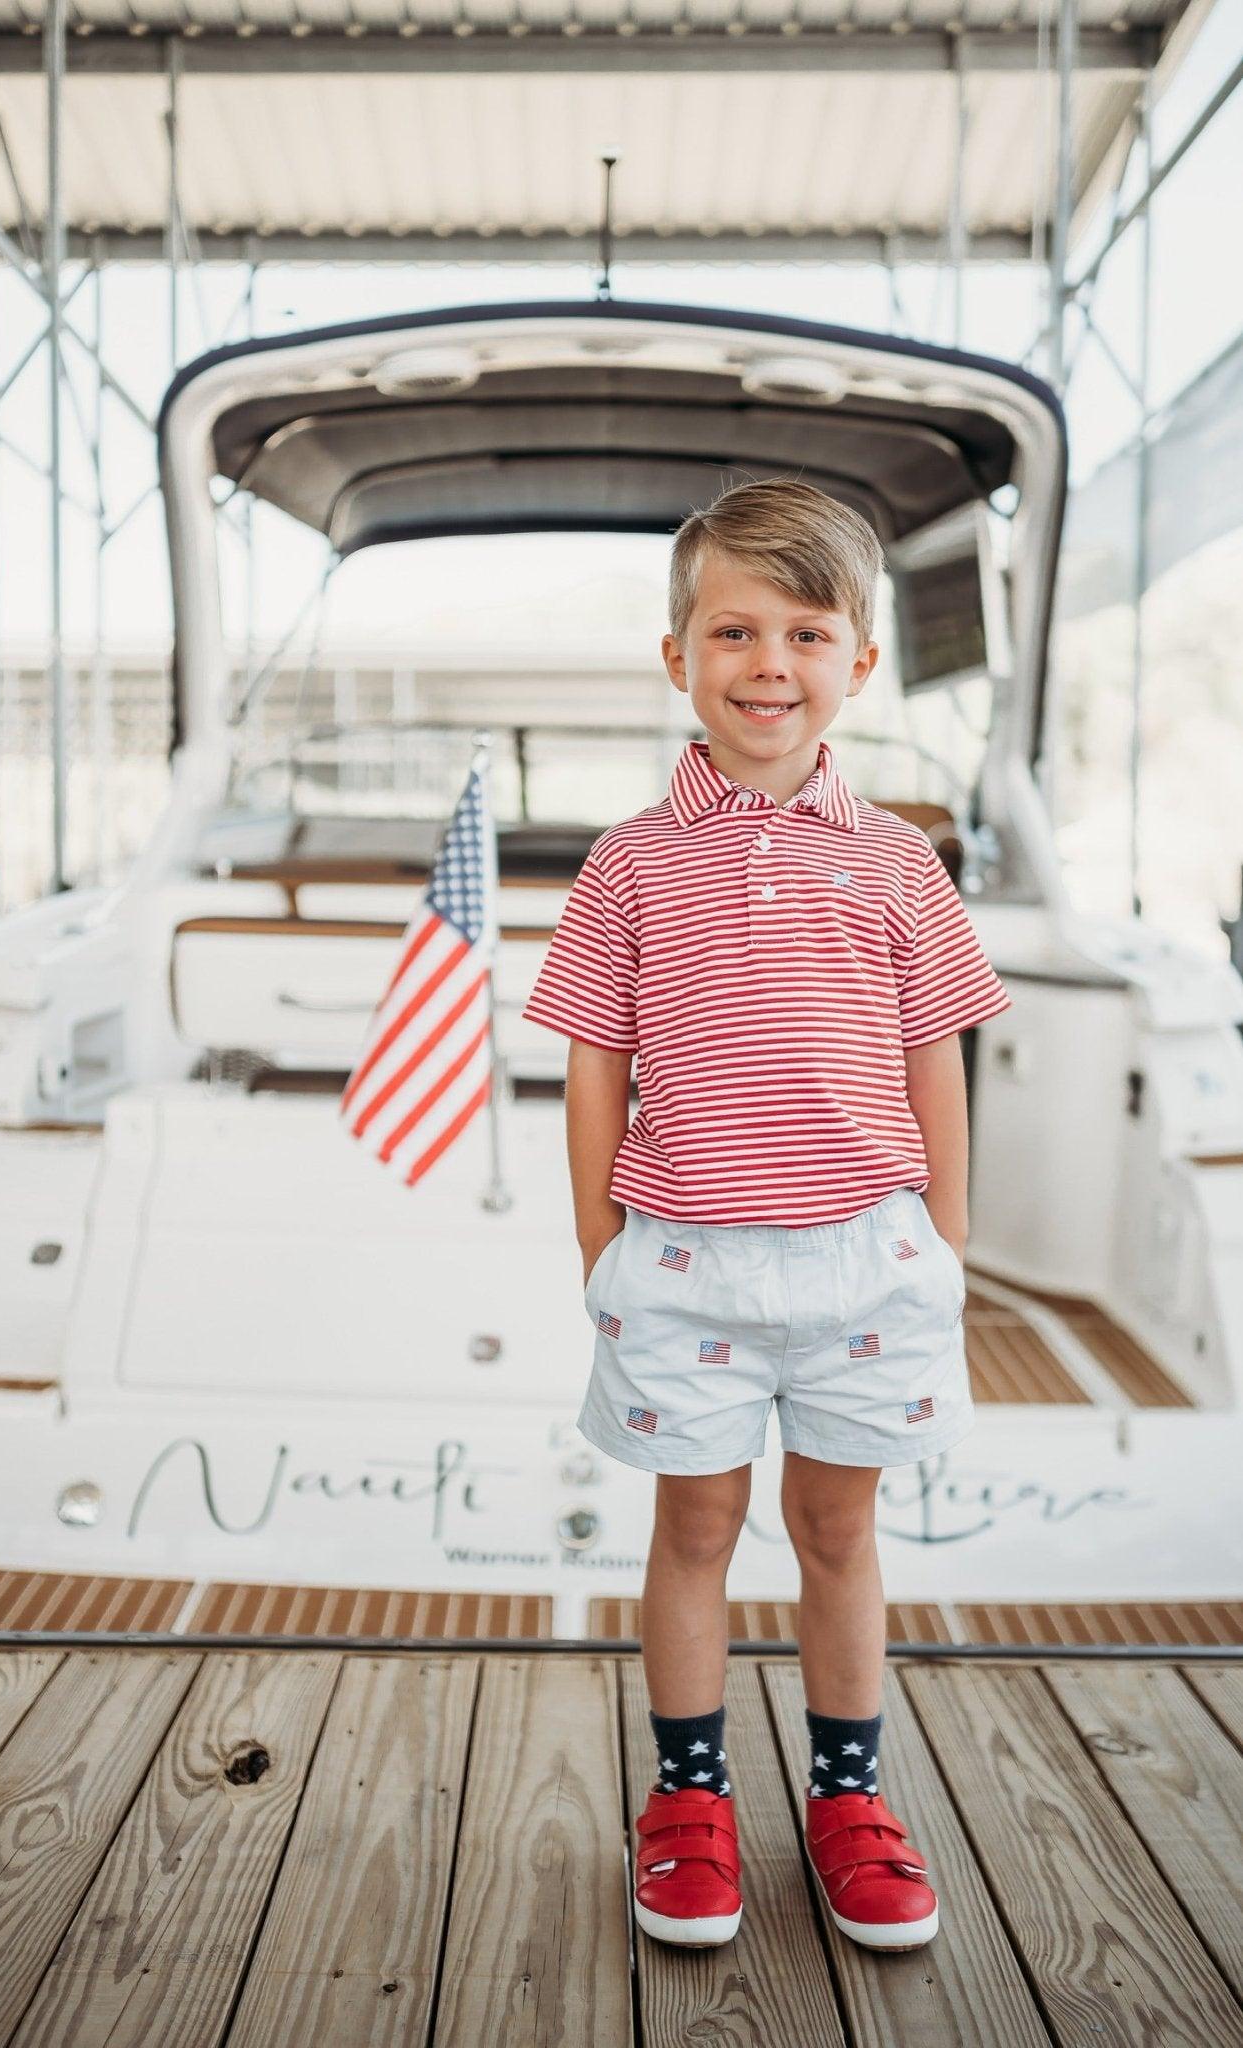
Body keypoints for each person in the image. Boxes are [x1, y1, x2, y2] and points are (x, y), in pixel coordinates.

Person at [520, 476, 1013, 1954]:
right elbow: (593, 1065)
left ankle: (847, 1799)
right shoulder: (628, 863)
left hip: (870, 1255)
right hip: (680, 1260)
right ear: (678, 656)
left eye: (805, 633)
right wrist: (601, 1254)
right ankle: (686, 1798)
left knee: (836, 1528)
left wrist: (948, 1239)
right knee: (696, 1525)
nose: (767, 667)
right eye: (732, 631)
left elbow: (935, 1055)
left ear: (857, 661)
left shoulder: (898, 863)